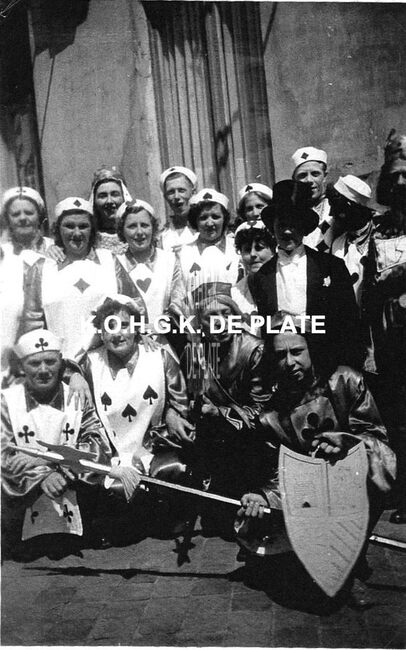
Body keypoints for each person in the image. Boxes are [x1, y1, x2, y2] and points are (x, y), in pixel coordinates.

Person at [238, 329, 396, 607]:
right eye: (280, 355)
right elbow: (279, 474)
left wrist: (346, 444)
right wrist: (262, 496)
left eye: (297, 351)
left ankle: (353, 563)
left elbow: (376, 437)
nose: (290, 362)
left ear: (311, 349)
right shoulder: (270, 415)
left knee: (375, 469)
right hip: (309, 493)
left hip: (353, 477)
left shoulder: (345, 381)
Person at [77, 296, 195, 541]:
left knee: (174, 469)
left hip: (156, 445)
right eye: (110, 327)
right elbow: (85, 416)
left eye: (125, 325)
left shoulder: (160, 357)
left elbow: (180, 402)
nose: (118, 334)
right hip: (111, 451)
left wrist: (171, 416)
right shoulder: (90, 364)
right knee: (118, 492)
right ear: (101, 332)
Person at [1, 329, 112, 559]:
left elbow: (98, 446)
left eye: (50, 362)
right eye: (35, 363)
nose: (43, 370)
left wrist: (47, 461)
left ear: (61, 362)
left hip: (70, 489)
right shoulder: (6, 402)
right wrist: (42, 476)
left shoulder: (77, 396)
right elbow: (4, 454)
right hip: (24, 500)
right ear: (22, 366)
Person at [186, 282, 272, 536]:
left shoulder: (255, 350)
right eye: (211, 317)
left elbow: (262, 411)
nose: (220, 323)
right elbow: (192, 396)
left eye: (226, 314)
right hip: (213, 441)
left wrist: (220, 413)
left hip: (249, 442)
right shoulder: (196, 351)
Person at [249, 180, 362, 369]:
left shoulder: (330, 266)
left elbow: (348, 323)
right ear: (272, 227)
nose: (287, 231)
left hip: (327, 364)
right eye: (281, 224)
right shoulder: (262, 276)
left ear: (303, 226)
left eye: (293, 224)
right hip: (285, 367)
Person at [19, 197, 146, 359]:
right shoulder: (41, 268)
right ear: (58, 229)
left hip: (108, 362)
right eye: (69, 226)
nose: (77, 233)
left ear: (92, 229)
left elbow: (134, 304)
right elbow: (32, 325)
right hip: (63, 364)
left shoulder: (109, 261)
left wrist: (140, 339)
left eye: (83, 226)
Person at [364, 129, 406, 524]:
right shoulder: (380, 228)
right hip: (393, 333)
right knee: (398, 414)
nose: (402, 182)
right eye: (395, 176)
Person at [115, 198, 185, 328]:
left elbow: (179, 302)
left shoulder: (169, 260)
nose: (139, 232)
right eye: (132, 226)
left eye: (144, 225)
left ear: (153, 228)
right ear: (122, 230)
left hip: (166, 335)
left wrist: (159, 326)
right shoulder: (117, 264)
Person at [179, 188, 240, 318]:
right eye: (203, 218)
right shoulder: (183, 252)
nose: (210, 223)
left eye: (215, 217)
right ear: (195, 221)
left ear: (224, 219)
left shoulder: (237, 249)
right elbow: (179, 294)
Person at [330, 175, 374, 308]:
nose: (331, 213)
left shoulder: (380, 239)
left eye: (336, 207)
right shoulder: (337, 244)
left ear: (349, 206)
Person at [231, 221, 275, 335]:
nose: (252, 254)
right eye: (246, 250)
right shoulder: (235, 294)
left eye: (259, 248)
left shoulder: (286, 284)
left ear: (273, 251)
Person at [291, 146, 336, 253]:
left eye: (315, 174)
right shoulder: (292, 214)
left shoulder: (335, 208)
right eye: (302, 175)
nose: (309, 180)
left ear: (325, 177)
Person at [0, 186, 52, 255]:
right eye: (16, 214)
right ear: (7, 219)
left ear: (39, 216)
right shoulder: (2, 253)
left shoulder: (54, 248)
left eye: (29, 213)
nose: (23, 218)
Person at [158, 166, 198, 252]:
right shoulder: (161, 235)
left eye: (181, 190)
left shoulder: (203, 228)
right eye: (171, 192)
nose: (176, 196)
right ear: (165, 197)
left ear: (193, 192)